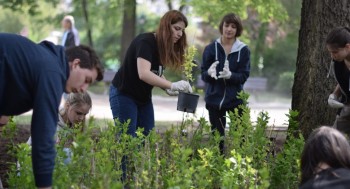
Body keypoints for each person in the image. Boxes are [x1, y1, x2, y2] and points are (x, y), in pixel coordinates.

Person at [0, 33, 104, 189]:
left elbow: (13, 72)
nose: (84, 88)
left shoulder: (49, 61)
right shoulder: (53, 73)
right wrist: (45, 185)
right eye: (87, 80)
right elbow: (42, 136)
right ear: (75, 64)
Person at [109, 10, 192, 138]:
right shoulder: (146, 42)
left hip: (143, 98)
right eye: (177, 28)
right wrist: (172, 85)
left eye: (182, 30)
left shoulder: (162, 47)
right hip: (124, 93)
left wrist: (166, 88)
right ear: (166, 25)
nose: (180, 34)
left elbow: (156, 72)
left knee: (147, 138)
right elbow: (144, 73)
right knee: (128, 141)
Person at [201, 13, 250, 154]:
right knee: (217, 139)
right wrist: (210, 75)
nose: (229, 29)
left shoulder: (244, 50)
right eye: (226, 25)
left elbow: (244, 75)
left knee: (240, 138)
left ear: (237, 30)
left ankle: (238, 167)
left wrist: (231, 76)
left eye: (233, 26)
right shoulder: (211, 48)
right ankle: (218, 166)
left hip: (236, 100)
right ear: (222, 26)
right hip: (214, 99)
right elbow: (204, 74)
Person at [27, 92, 92, 164]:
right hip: (31, 166)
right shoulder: (50, 121)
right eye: (78, 113)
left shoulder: (76, 125)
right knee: (67, 154)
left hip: (59, 169)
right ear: (67, 106)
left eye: (85, 114)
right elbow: (34, 152)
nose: (81, 118)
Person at [326, 27, 350, 136]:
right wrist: (334, 95)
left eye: (335, 52)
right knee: (333, 139)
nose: (332, 56)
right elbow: (345, 81)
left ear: (347, 47)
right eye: (330, 52)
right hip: (347, 106)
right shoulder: (338, 63)